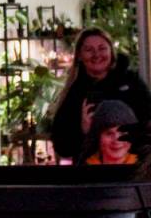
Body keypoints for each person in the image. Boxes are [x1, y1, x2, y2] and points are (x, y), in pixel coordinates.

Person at [50, 27, 151, 163]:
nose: (96, 54)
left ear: (111, 52)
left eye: (102, 48)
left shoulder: (132, 84)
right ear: (79, 55)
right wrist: (83, 130)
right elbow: (63, 148)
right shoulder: (74, 93)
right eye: (89, 50)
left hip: (133, 171)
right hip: (92, 175)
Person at [81, 100, 140, 165]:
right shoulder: (84, 164)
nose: (116, 140)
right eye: (109, 133)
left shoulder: (144, 167)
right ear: (98, 137)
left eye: (123, 133)